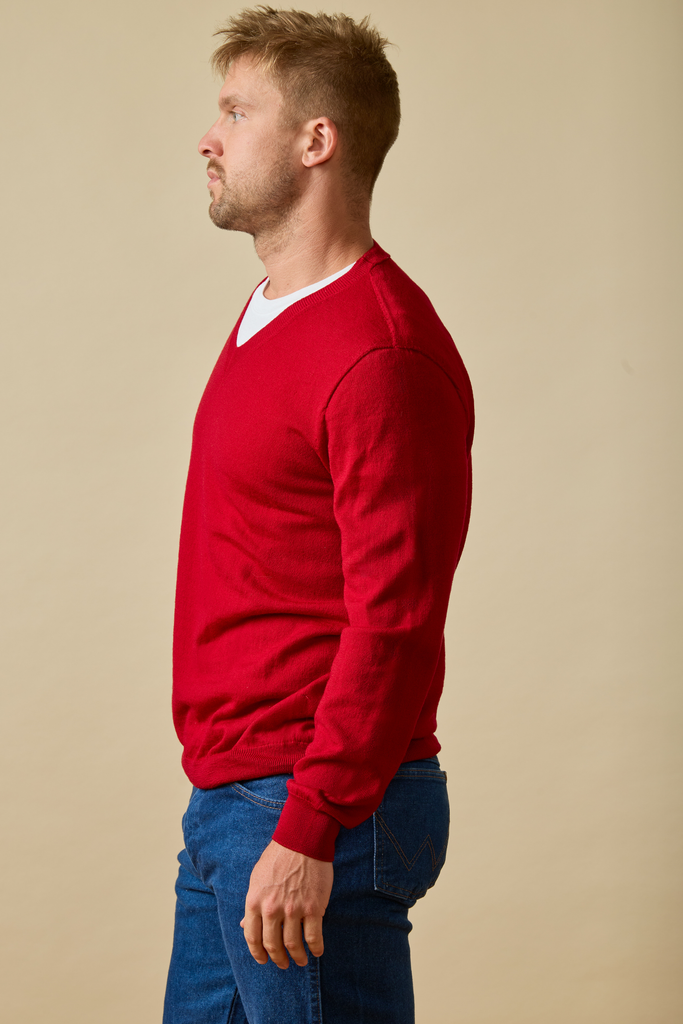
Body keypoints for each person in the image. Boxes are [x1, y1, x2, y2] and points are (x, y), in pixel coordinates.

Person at [164, 7, 474, 1023]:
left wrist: (310, 823)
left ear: (315, 141)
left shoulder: (380, 354)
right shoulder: (269, 311)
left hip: (311, 804)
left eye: (236, 110)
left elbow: (394, 619)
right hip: (234, 797)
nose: (210, 136)